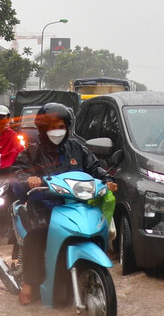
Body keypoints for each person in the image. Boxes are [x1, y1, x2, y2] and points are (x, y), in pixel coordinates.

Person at [9, 102, 113, 305]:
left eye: (61, 125)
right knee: (40, 231)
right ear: (42, 128)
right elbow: (17, 174)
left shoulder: (78, 149)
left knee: (96, 226)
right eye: (51, 125)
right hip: (43, 204)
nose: (57, 130)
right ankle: (30, 282)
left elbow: (95, 168)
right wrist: (28, 179)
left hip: (74, 204)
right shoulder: (32, 152)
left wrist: (108, 180)